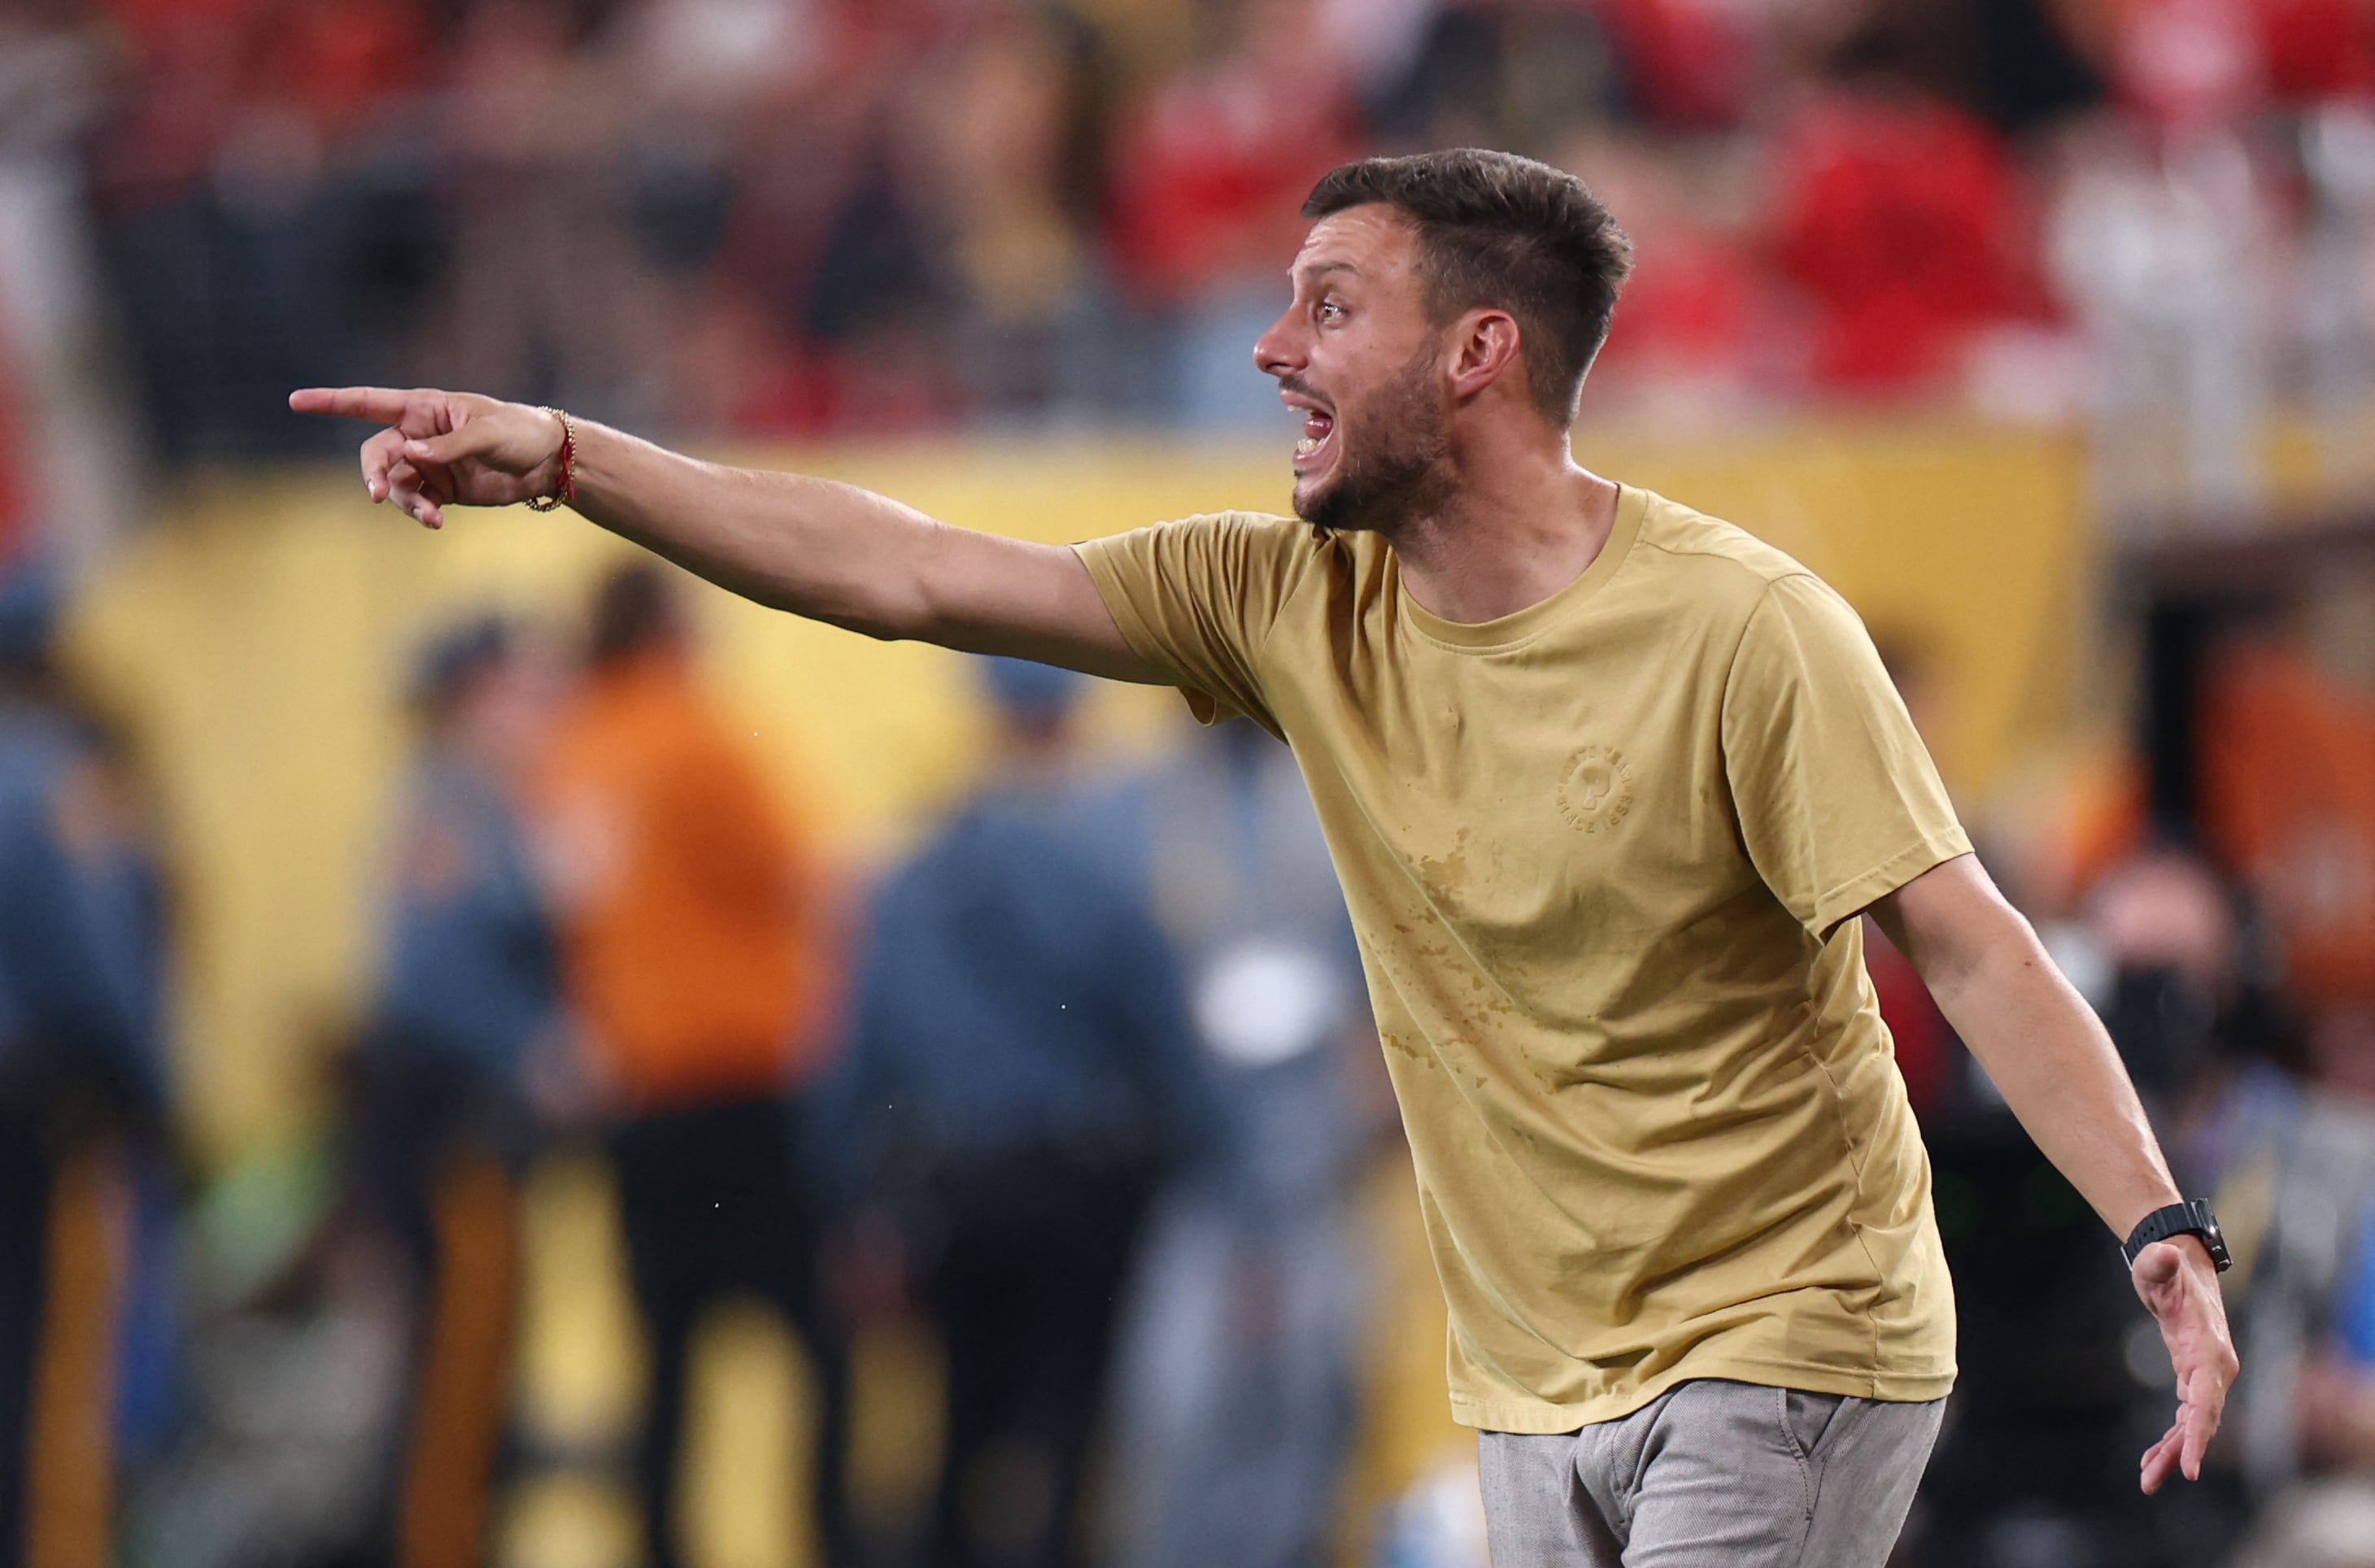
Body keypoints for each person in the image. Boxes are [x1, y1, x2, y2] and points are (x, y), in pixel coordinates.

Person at [293, 144, 2238, 1566]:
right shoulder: (1285, 598)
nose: (1263, 345)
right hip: (1534, 1379)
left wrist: (2158, 1228)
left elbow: (1967, 939)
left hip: (1787, 1332)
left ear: (1479, 353)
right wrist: (569, 455)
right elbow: (902, 570)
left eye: (1327, 306)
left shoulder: (1744, 629)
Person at [814, 656, 1214, 1568]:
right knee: (1074, 1431)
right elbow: (1164, 1038)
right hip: (1082, 1187)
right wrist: (1204, 1156)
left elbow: (859, 1053)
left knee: (961, 1424)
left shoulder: (916, 873)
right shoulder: (1112, 864)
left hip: (957, 1187)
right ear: (1071, 716)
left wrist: (852, 1202)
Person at [534, 564, 852, 1568]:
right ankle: (830, 1541)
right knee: (820, 1343)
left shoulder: (573, 753)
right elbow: (805, 882)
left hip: (636, 1101)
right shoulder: (700, 737)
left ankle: (662, 1547)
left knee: (665, 1360)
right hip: (742, 1089)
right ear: (669, 629)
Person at [1083, 715, 1384, 1568]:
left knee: (1313, 1399)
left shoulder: (1339, 792)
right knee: (1181, 1410)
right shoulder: (1137, 807)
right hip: (1195, 1172)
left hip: (1317, 1162)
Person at [356, 615, 567, 1568]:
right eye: (519, 692)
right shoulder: (453, 810)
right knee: (456, 1385)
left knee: (477, 1378)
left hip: (478, 1138)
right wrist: (535, 1047)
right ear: (471, 703)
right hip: (453, 1136)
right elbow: (427, 979)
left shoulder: (498, 807)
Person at [0, 555, 170, 1568]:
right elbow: (97, 960)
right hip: (41, 1117)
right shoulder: (59, 776)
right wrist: (155, 1092)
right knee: (62, 1382)